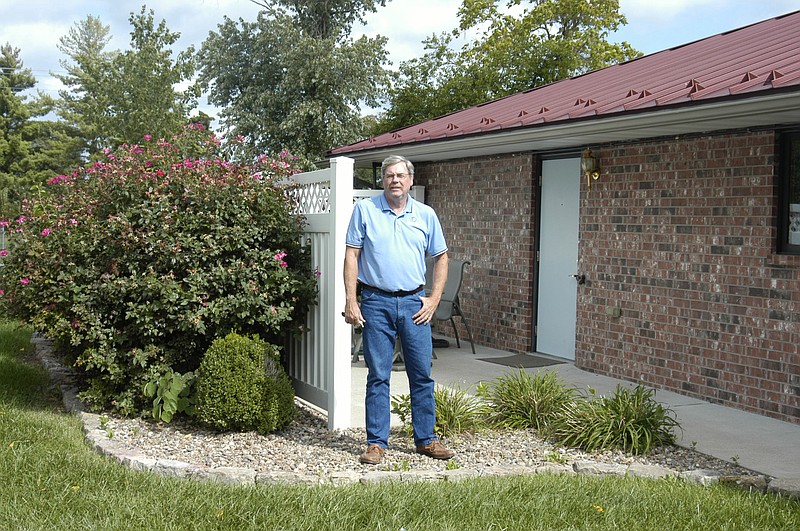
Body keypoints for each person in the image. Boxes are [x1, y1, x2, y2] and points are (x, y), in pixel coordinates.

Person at [343, 154, 455, 465]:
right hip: (376, 302)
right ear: (383, 181)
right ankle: (376, 443)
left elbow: (441, 257)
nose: (395, 180)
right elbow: (352, 255)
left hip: (414, 304)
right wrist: (351, 299)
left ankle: (426, 439)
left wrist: (433, 299)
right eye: (389, 175)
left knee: (421, 373)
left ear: (410, 181)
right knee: (378, 375)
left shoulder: (426, 215)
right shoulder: (365, 210)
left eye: (400, 175)